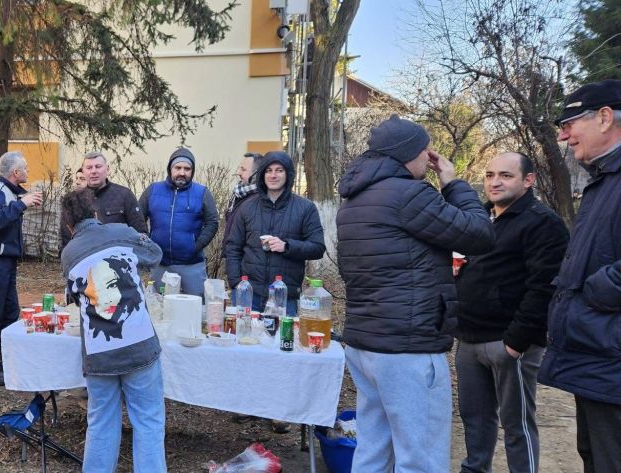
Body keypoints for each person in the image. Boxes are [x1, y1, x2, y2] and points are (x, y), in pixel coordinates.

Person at [335, 114, 495, 472]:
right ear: (407, 153)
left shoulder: (353, 200)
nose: (430, 158)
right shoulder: (409, 194)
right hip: (408, 347)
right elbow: (480, 235)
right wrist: (453, 184)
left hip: (366, 343)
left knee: (373, 451)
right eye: (425, 150)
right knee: (419, 458)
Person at [453, 152, 569, 473]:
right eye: (489, 175)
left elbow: (546, 288)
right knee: (474, 421)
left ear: (528, 180)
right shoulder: (483, 219)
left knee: (516, 425)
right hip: (468, 338)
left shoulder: (542, 223)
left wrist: (515, 343)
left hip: (508, 343)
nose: (494, 182)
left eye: (505, 175)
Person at [538, 79, 621, 472]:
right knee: (596, 457)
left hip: (612, 357)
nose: (562, 134)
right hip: (599, 357)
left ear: (605, 117)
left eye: (571, 121)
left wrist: (593, 291)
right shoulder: (604, 180)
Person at [60, 188, 166, 472]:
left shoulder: (68, 254)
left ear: (69, 226)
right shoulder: (121, 231)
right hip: (138, 344)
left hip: (99, 353)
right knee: (148, 421)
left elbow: (72, 294)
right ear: (96, 214)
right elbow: (155, 254)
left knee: (101, 423)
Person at [225, 151, 325, 315]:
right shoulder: (247, 207)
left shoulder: (305, 208)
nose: (273, 175)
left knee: (282, 340)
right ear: (262, 175)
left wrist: (286, 246)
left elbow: (318, 247)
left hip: (285, 296)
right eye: (268, 170)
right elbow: (233, 247)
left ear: (288, 174)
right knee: (245, 339)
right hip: (249, 294)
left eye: (279, 170)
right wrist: (236, 283)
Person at [0, 151, 43, 386]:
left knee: (11, 312)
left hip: (7, 261)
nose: (27, 171)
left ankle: (8, 359)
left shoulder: (10, 192)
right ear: (15, 172)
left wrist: (22, 201)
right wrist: (21, 203)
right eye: (25, 167)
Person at [139, 147, 219, 296]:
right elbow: (137, 218)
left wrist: (196, 246)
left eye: (187, 168)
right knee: (160, 309)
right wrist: (148, 244)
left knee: (196, 308)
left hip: (192, 264)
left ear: (192, 171)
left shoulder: (202, 193)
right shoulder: (153, 190)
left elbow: (212, 222)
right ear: (170, 169)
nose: (182, 172)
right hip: (160, 264)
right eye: (178, 167)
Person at [60, 151, 146, 247]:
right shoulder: (75, 200)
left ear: (107, 169)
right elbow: (67, 238)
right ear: (83, 172)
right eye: (89, 168)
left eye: (98, 166)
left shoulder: (125, 195)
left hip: (120, 257)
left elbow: (140, 232)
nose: (93, 171)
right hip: (87, 257)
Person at [222, 152, 262, 245]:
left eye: (243, 169)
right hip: (232, 255)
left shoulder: (259, 200)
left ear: (256, 174)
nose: (238, 173)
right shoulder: (238, 194)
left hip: (243, 257)